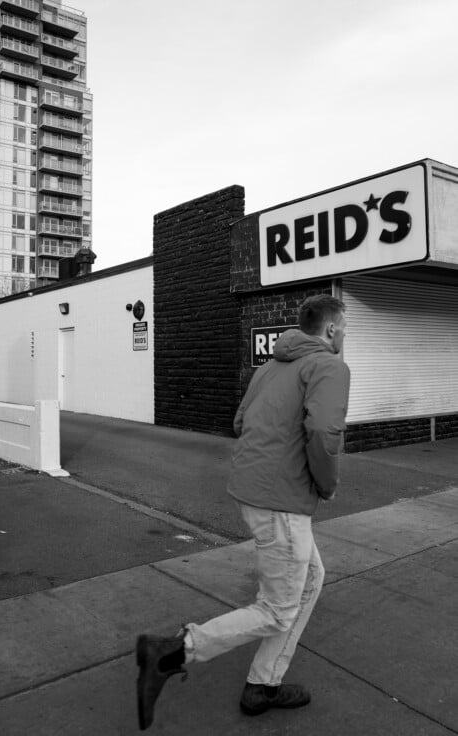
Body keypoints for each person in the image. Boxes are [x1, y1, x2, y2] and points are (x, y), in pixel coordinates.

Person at [136, 294, 350, 730]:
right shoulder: (328, 366)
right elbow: (324, 433)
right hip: (282, 501)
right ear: (330, 329)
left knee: (310, 577)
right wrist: (326, 485)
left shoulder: (269, 369)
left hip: (253, 491)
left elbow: (239, 422)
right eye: (344, 327)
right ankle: (175, 651)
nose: (344, 335)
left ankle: (263, 683)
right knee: (277, 609)